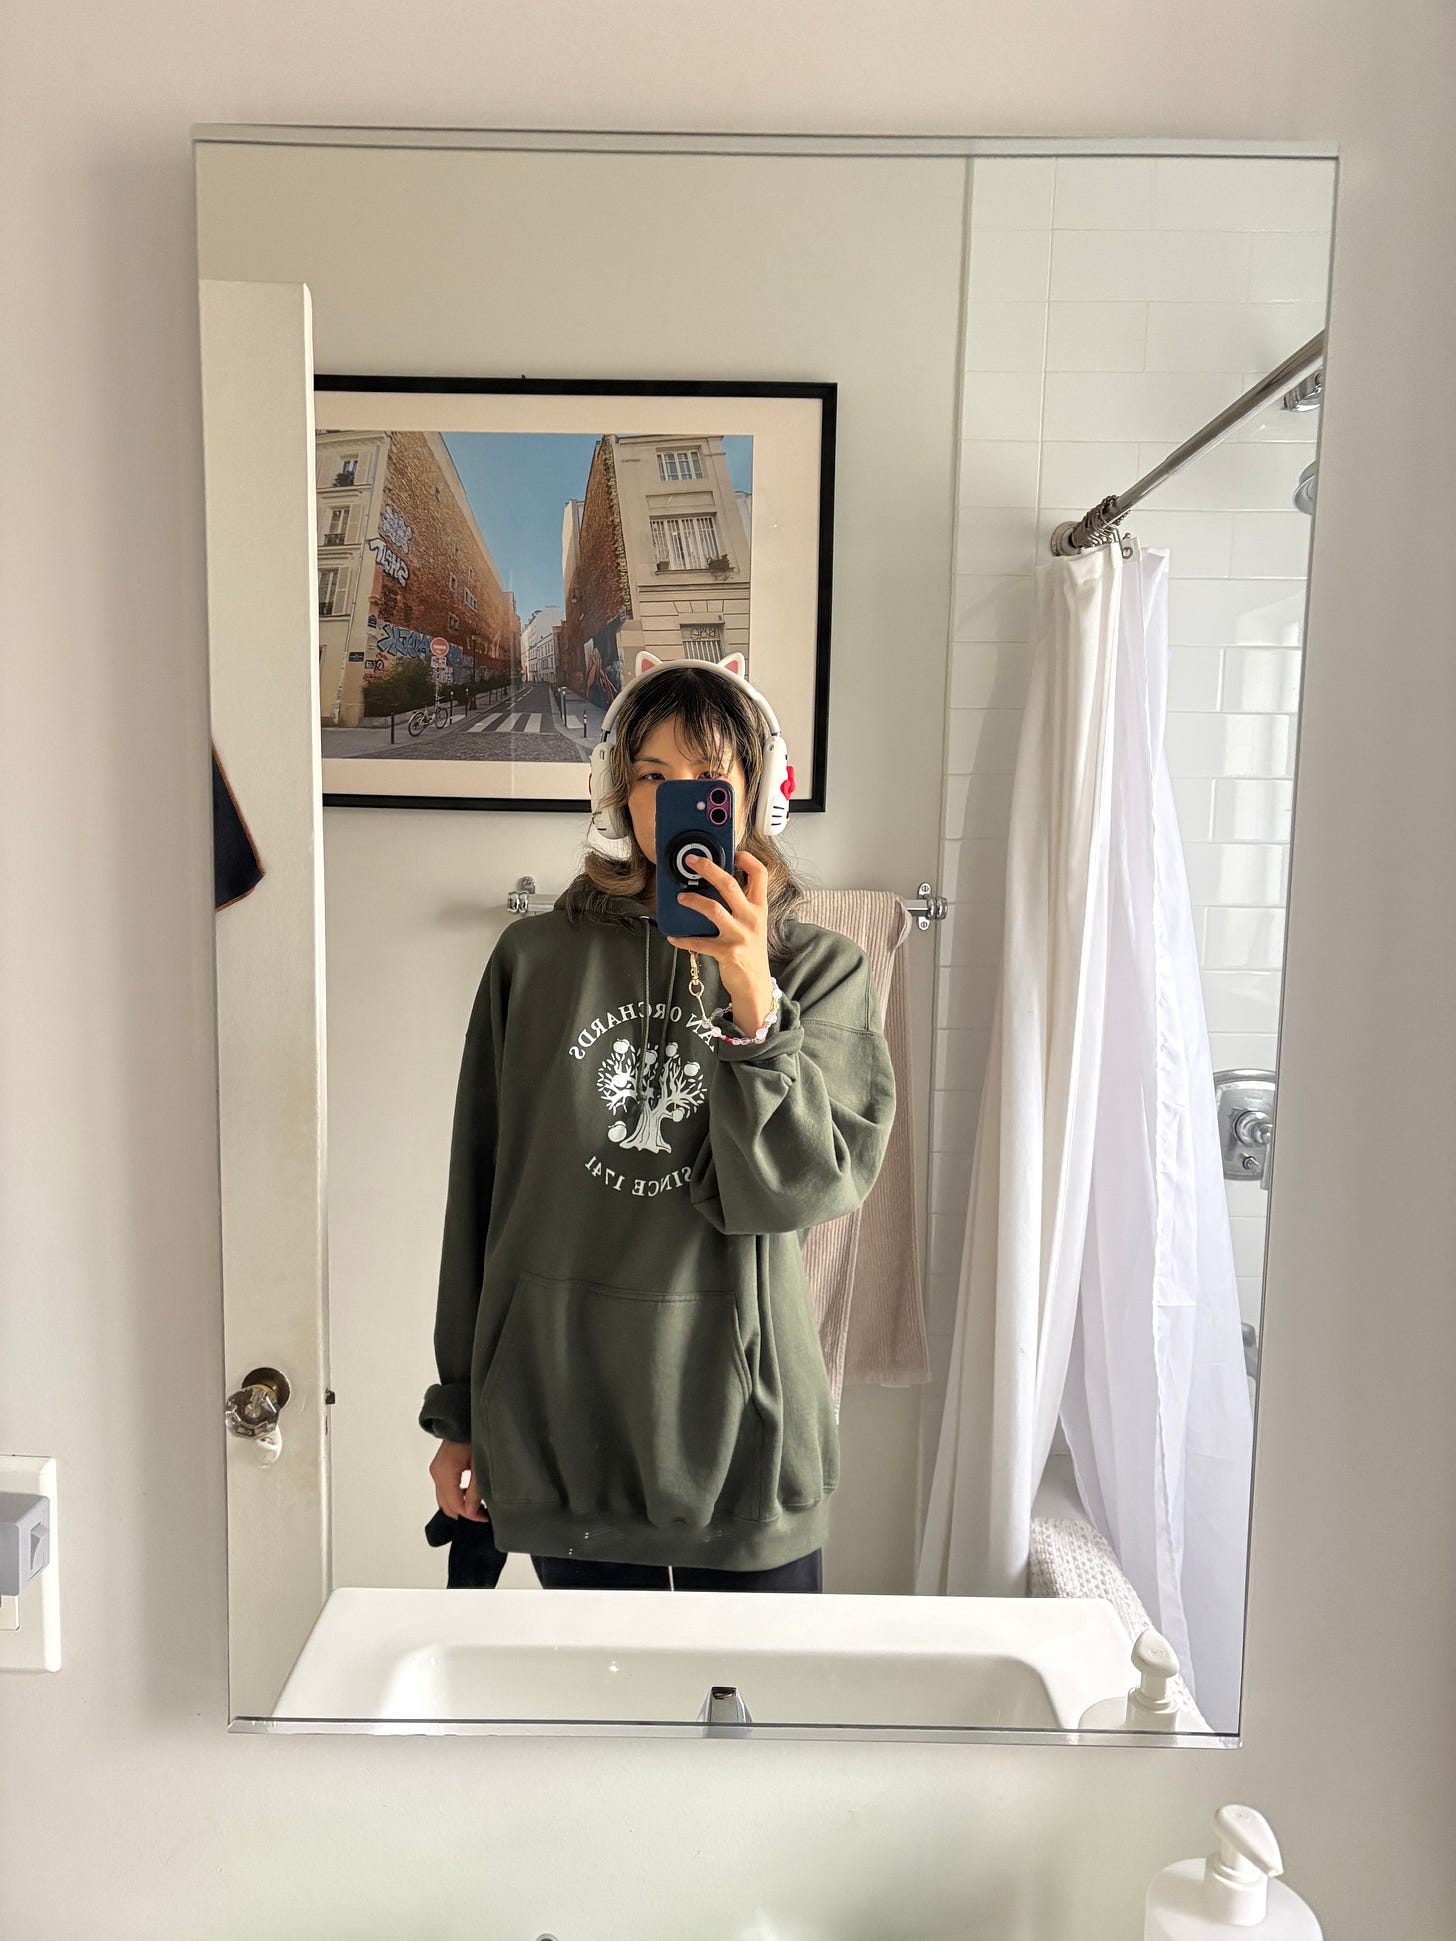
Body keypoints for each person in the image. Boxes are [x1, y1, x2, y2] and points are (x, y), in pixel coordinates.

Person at [421, 652, 896, 1591]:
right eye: (651, 775)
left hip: (746, 1442)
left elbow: (794, 1191)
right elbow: (479, 1192)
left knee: (758, 1687)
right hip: (566, 1427)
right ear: (617, 792)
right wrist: (459, 1412)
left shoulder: (820, 970)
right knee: (593, 1692)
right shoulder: (532, 960)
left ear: (754, 793)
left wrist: (753, 1001)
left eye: (708, 777)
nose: (677, 800)